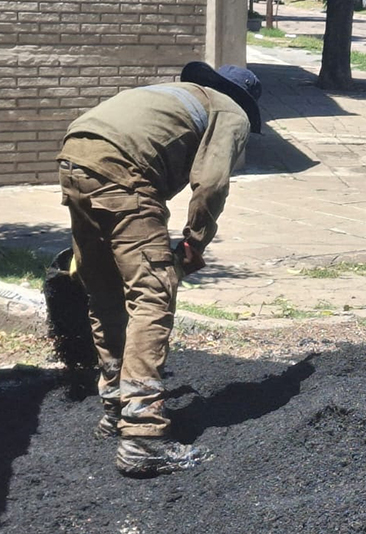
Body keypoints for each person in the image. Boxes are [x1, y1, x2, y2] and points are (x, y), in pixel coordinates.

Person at [58, 61, 262, 477]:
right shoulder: (231, 111)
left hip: (75, 153)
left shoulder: (174, 95)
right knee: (152, 294)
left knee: (105, 292)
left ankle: (116, 409)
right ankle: (144, 438)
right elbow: (211, 183)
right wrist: (194, 241)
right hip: (124, 169)